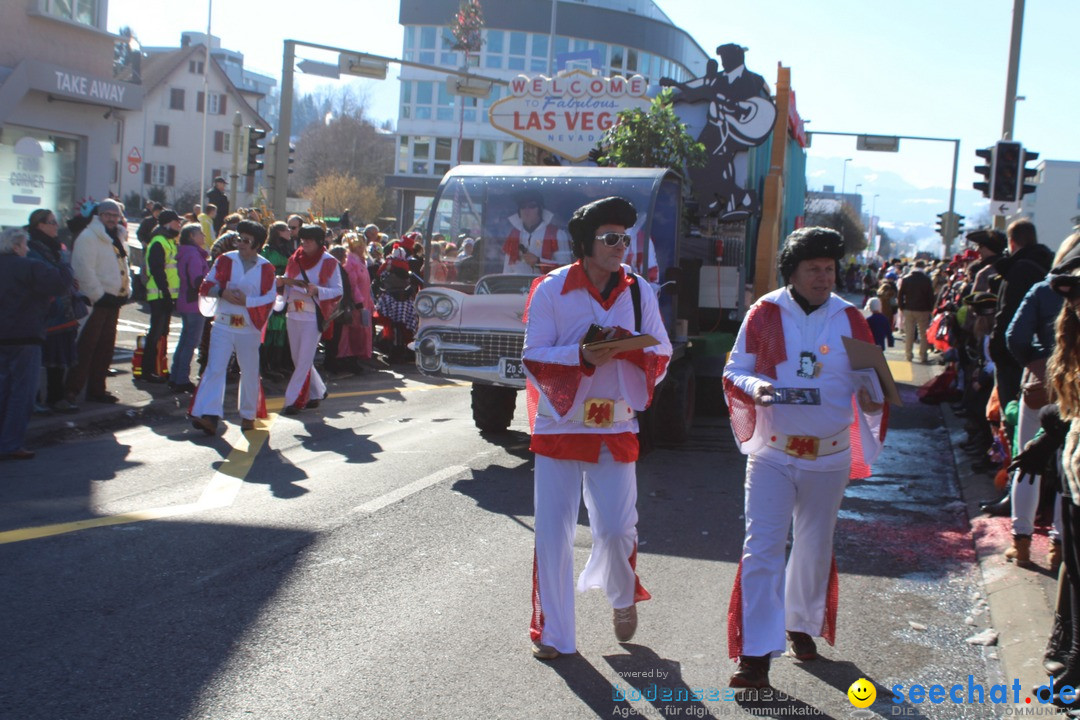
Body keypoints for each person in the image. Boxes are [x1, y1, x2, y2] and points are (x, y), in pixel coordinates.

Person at [722, 227, 886, 689]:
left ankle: (800, 625)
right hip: (774, 454)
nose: (823, 277)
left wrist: (874, 400)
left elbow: (872, 387)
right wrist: (756, 388)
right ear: (792, 271)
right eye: (813, 268)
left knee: (813, 549)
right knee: (762, 549)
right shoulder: (765, 312)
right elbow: (736, 369)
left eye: (829, 269)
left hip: (830, 457)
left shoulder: (852, 319)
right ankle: (755, 655)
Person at [522, 196, 673, 661]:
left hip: (616, 424)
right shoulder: (549, 289)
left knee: (615, 529)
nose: (620, 246)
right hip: (559, 424)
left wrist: (634, 353)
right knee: (553, 532)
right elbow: (533, 357)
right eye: (611, 238)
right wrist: (581, 356)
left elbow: (662, 354)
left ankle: (622, 594)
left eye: (626, 239)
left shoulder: (638, 292)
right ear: (585, 244)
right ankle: (553, 634)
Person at [189, 220, 276, 434]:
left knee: (249, 371)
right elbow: (206, 285)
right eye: (239, 239)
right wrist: (221, 292)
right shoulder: (225, 260)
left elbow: (270, 298)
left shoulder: (266, 268)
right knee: (215, 368)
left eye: (246, 240)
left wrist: (249, 301)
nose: (241, 244)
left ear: (257, 244)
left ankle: (248, 415)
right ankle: (210, 416)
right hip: (223, 324)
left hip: (249, 328)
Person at [0, 228, 72, 459]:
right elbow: (61, 283)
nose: (28, 249)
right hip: (25, 335)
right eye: (25, 245)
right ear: (16, 247)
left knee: (3, 390)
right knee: (22, 392)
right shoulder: (28, 266)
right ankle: (10, 443)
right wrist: (64, 261)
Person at [65, 199, 130, 404]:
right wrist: (99, 295)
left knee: (105, 348)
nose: (111, 219)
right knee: (86, 347)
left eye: (115, 215)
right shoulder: (89, 236)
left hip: (113, 301)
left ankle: (97, 389)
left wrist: (126, 290)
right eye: (107, 215)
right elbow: (83, 269)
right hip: (96, 302)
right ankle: (71, 391)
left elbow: (123, 266)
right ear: (99, 216)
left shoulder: (117, 236)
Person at [280, 224, 343, 415]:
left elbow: (338, 291)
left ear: (319, 242)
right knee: (298, 358)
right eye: (303, 239)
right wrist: (281, 281)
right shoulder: (294, 258)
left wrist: (318, 290)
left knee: (304, 359)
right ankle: (318, 391)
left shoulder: (329, 261)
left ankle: (292, 400)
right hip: (293, 312)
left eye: (309, 239)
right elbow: (288, 280)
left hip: (313, 315)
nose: (304, 243)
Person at [25, 208, 80, 413]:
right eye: (51, 222)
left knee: (58, 358)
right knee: (38, 359)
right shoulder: (32, 248)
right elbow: (45, 278)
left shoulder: (56, 247)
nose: (56, 225)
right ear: (39, 225)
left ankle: (56, 397)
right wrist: (62, 274)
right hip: (45, 311)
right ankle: (35, 399)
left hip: (61, 310)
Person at [141, 209, 182, 382]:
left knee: (162, 332)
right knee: (156, 333)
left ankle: (159, 367)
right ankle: (148, 370)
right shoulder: (159, 241)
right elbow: (157, 270)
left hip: (164, 294)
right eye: (176, 222)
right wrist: (165, 293)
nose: (179, 225)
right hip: (159, 294)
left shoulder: (168, 240)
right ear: (167, 223)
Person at [169, 222, 209, 393]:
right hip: (194, 302)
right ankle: (182, 379)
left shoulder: (185, 252)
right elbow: (197, 280)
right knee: (191, 341)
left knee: (185, 340)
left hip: (185, 300)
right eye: (200, 233)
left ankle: (175, 376)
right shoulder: (193, 254)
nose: (204, 236)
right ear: (192, 236)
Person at [502, 190, 571, 274]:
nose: (526, 210)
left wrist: (539, 262)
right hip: (516, 285)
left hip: (547, 285)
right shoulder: (514, 235)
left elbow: (565, 269)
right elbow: (507, 269)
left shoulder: (556, 234)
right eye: (523, 207)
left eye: (532, 206)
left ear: (540, 209)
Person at [337, 233, 375, 366]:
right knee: (351, 331)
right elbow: (353, 285)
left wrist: (369, 302)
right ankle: (348, 358)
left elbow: (365, 285)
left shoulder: (360, 261)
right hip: (355, 304)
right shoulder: (350, 262)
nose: (360, 249)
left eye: (361, 246)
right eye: (357, 246)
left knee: (361, 330)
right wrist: (359, 302)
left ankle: (356, 357)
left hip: (364, 302)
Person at [897, 259, 935, 363]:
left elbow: (900, 295)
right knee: (923, 334)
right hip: (923, 310)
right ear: (923, 267)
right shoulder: (926, 279)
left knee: (909, 333)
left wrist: (902, 306)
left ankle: (908, 355)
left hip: (908, 309)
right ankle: (923, 356)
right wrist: (931, 309)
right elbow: (930, 296)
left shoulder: (906, 278)